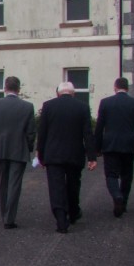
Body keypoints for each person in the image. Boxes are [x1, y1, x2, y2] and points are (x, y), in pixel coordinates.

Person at [36, 82, 97, 233]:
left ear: (58, 93)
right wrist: (92, 157)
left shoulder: (48, 106)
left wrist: (40, 154)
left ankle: (61, 219)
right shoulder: (82, 107)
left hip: (53, 154)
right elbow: (87, 134)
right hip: (74, 154)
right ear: (73, 93)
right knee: (73, 185)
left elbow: (42, 132)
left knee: (56, 187)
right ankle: (74, 212)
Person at [0, 76, 36, 229]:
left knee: (3, 182)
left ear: (5, 88)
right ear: (19, 89)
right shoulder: (27, 106)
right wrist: (29, 147)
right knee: (15, 184)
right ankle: (9, 218)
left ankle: (4, 213)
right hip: (19, 149)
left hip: (1, 148)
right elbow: (31, 132)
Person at [94, 77, 134, 217]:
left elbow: (99, 127)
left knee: (111, 174)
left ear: (115, 87)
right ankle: (123, 202)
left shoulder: (105, 103)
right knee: (127, 175)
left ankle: (116, 195)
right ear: (127, 88)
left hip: (110, 144)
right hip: (129, 145)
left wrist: (96, 147)